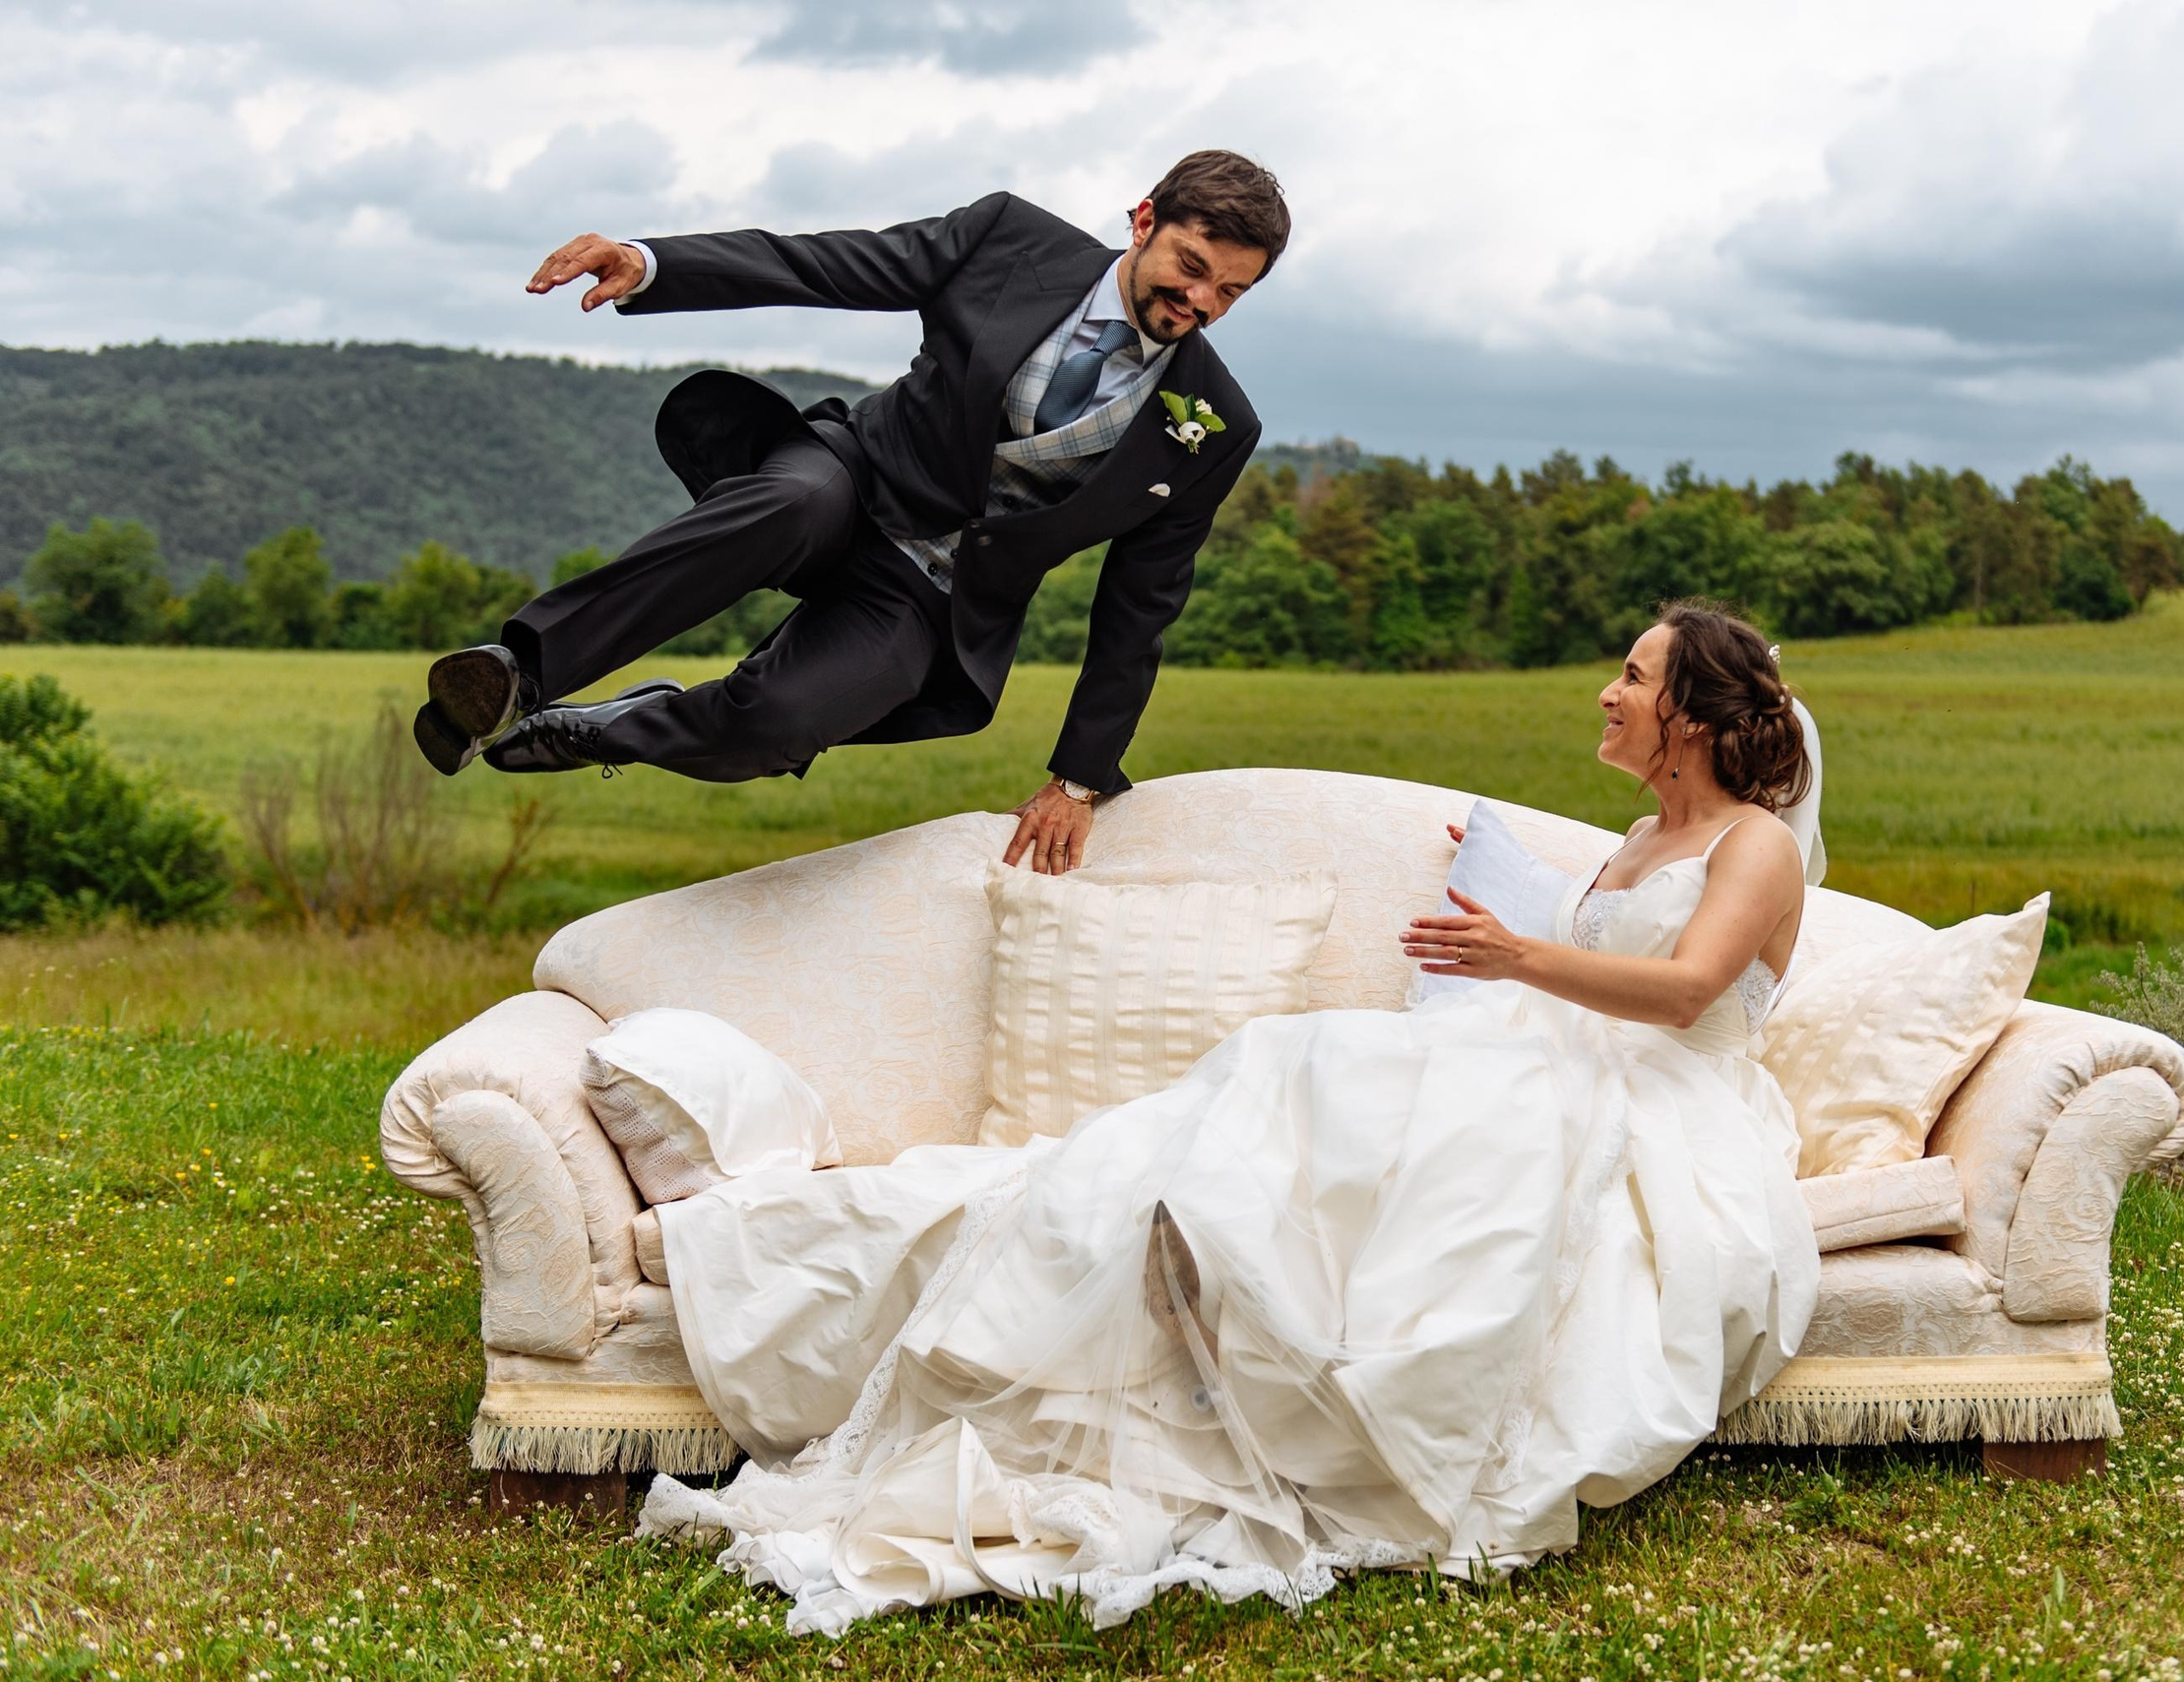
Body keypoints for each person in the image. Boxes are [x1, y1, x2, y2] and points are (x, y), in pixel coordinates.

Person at [637, 601, 1821, 1634]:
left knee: (1433, 1144)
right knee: (1289, 1073)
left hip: (1662, 1102)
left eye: (1633, 675)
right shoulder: (1641, 837)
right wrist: (1506, 894)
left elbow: (1685, 990)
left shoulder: (1756, 842)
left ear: (1692, 715)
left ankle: (1306, 1376)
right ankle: (1187, 1276)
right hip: (1548, 1055)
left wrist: (1516, 954)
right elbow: (1598, 939)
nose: (1608, 691)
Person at [412, 152, 1287, 874]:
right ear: (1143, 222)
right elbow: (828, 263)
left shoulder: (1216, 424)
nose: (1200, 303)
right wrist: (653, 263)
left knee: (776, 725)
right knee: (786, 503)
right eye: (1191, 267)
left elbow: (1140, 607)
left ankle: (604, 728)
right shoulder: (1010, 239)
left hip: (933, 595)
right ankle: (521, 672)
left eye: (1231, 293)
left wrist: (1078, 779)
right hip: (854, 479)